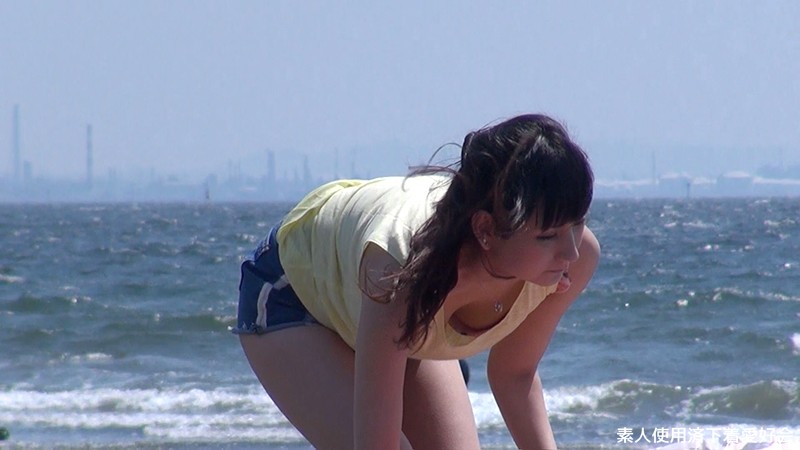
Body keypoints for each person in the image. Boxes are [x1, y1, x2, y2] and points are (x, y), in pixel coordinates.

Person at [233, 113, 600, 450]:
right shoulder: (403, 269)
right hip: (291, 294)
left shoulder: (576, 257)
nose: (570, 252)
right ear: (486, 229)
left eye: (577, 223)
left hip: (396, 316)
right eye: (547, 236)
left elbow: (514, 375)